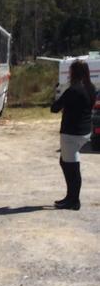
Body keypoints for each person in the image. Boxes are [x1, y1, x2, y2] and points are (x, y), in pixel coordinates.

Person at [50, 60, 96, 210]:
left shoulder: (73, 90)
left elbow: (54, 108)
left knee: (72, 168)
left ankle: (73, 200)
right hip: (84, 131)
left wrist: (56, 94)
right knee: (65, 162)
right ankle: (71, 197)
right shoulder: (91, 88)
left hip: (71, 133)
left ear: (74, 73)